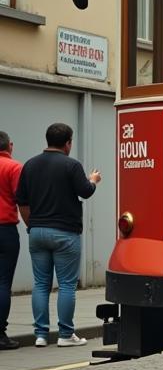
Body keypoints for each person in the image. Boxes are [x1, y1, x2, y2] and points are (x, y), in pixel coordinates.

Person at [15, 123, 101, 347]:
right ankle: (65, 335)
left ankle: (41, 335)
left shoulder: (30, 165)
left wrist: (32, 225)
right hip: (65, 233)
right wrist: (93, 180)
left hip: (37, 231)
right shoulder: (71, 165)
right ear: (68, 143)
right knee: (66, 285)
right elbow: (85, 191)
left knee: (41, 284)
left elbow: (22, 202)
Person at [0, 131, 22, 350]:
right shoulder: (14, 167)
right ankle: (0, 333)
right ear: (10, 145)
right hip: (5, 229)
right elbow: (21, 197)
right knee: (3, 283)